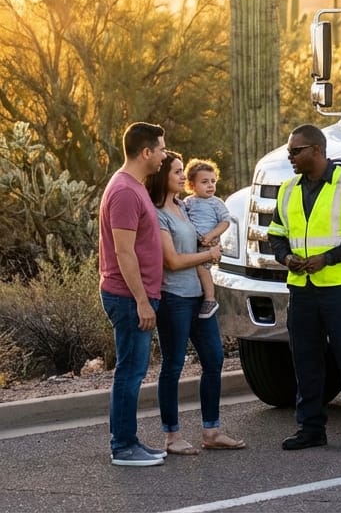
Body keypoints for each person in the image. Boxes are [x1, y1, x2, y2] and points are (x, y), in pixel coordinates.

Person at [266, 124, 341, 452]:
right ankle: (311, 428)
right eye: (289, 151)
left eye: (296, 151)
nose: (290, 156)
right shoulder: (288, 189)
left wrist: (328, 258)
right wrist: (285, 256)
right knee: (305, 359)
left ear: (317, 150)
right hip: (302, 287)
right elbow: (275, 233)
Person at [146, 151, 246, 455]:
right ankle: (171, 436)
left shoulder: (184, 207)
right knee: (173, 366)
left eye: (181, 172)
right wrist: (210, 255)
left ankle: (211, 431)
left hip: (200, 296)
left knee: (214, 360)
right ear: (163, 176)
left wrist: (212, 241)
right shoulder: (157, 213)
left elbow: (210, 230)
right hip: (174, 297)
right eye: (176, 172)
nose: (180, 176)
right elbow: (173, 261)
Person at [98, 122, 170, 467]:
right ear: (146, 152)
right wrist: (142, 301)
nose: (164, 155)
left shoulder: (134, 186)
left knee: (132, 370)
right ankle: (124, 447)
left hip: (136, 295)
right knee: (130, 372)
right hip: (128, 297)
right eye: (161, 149)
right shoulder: (125, 191)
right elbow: (124, 252)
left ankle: (127, 441)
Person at [182, 158, 229, 319]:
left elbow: (225, 222)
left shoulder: (216, 203)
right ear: (192, 185)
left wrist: (212, 235)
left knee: (202, 268)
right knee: (194, 267)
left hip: (209, 244)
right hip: (193, 243)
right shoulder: (188, 202)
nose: (210, 185)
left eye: (213, 181)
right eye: (204, 182)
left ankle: (210, 299)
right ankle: (202, 294)